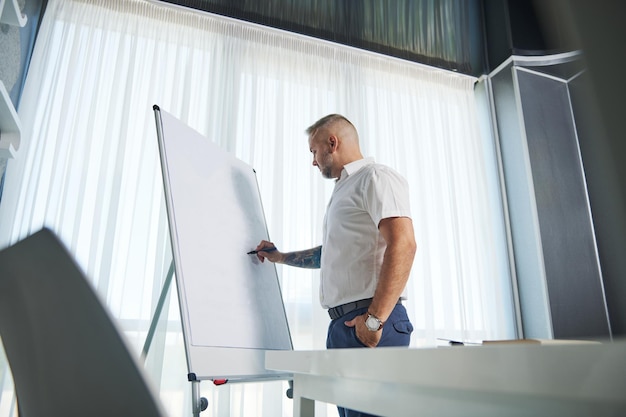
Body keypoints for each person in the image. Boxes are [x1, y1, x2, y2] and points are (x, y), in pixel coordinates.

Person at [254, 114, 416, 417]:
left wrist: (374, 321)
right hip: (347, 324)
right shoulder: (346, 189)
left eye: (314, 152)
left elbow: (404, 244)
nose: (313, 162)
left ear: (333, 143)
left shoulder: (375, 177)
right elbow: (329, 255)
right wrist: (281, 257)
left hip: (372, 321)